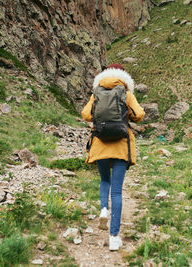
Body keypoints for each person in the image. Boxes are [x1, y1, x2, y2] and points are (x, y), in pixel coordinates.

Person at [81, 63, 145, 251]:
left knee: (104, 181)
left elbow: (85, 114)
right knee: (117, 191)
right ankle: (114, 237)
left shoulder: (97, 93)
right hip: (120, 145)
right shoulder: (126, 93)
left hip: (100, 144)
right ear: (124, 77)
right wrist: (127, 116)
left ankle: (103, 209)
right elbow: (139, 114)